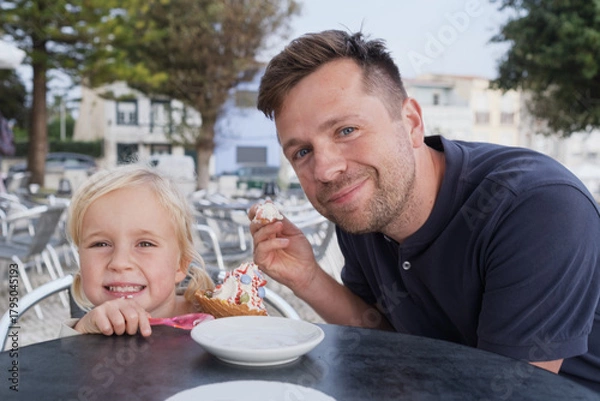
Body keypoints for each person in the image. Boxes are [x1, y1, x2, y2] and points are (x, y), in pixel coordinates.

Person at [249, 30, 600, 392]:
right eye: (302, 153)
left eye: (346, 130)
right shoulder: (362, 206)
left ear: (412, 122)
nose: (325, 170)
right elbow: (386, 342)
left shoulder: (535, 208)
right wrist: (307, 278)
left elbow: (507, 391)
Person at [60, 163, 214, 337]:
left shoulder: (216, 321)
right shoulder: (89, 330)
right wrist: (80, 334)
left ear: (181, 264)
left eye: (144, 244)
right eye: (100, 244)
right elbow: (62, 362)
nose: (119, 263)